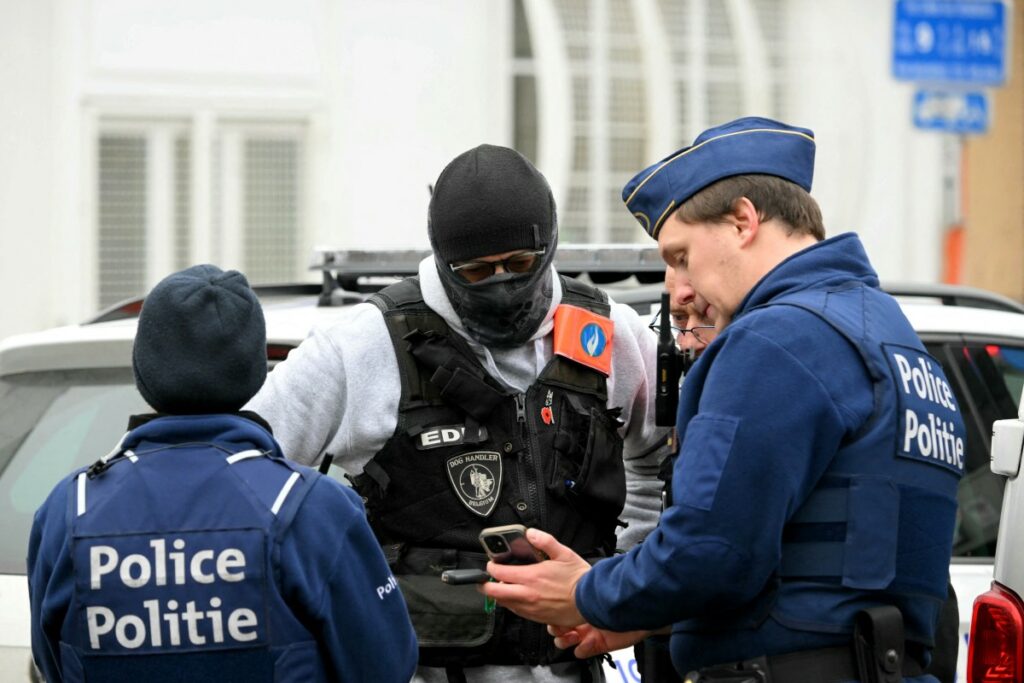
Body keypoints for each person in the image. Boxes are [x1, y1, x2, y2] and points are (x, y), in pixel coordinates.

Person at [482, 117, 965, 683]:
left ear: (742, 220)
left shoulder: (775, 339)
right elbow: (811, 574)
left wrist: (584, 590)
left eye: (681, 255)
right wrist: (647, 617)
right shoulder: (888, 335)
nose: (676, 288)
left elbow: (712, 552)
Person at [246, 144, 670, 682]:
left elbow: (665, 464)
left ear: (550, 245)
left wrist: (617, 583)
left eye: (519, 264)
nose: (501, 283)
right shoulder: (363, 347)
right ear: (444, 262)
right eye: (475, 271)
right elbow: (246, 478)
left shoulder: (610, 334)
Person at [28, 265, 418, 683]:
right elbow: (385, 665)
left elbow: (50, 662)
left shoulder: (69, 510)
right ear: (254, 374)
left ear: (144, 370)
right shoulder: (312, 508)